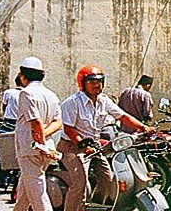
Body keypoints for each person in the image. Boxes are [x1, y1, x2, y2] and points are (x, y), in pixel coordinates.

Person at [59, 65, 150, 211]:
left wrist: (142, 127)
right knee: (79, 184)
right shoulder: (72, 102)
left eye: (99, 81)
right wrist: (82, 144)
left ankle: (94, 206)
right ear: (82, 83)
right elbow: (68, 128)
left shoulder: (103, 100)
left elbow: (123, 116)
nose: (96, 85)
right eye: (92, 82)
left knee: (107, 180)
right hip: (71, 147)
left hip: (93, 146)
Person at [13, 56, 62, 211]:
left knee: (38, 194)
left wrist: (39, 140)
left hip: (30, 148)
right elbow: (58, 122)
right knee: (25, 192)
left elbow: (35, 122)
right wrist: (43, 138)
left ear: (24, 75)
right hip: (43, 147)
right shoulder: (51, 95)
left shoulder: (26, 94)